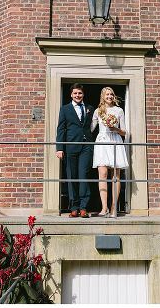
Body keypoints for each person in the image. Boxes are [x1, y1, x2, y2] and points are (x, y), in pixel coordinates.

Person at [56, 84, 93, 218]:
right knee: (72, 177)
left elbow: (93, 127)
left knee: (83, 176)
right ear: (71, 95)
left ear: (83, 94)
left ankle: (83, 207)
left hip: (86, 147)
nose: (78, 95)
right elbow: (61, 128)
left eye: (80, 93)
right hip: (70, 147)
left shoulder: (90, 108)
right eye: (75, 93)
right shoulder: (65, 109)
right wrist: (59, 148)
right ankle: (74, 207)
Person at [91, 87, 129, 218]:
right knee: (102, 173)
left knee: (116, 175)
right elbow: (90, 128)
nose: (110, 96)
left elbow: (124, 132)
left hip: (115, 141)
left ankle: (114, 208)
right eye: (107, 94)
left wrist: (115, 128)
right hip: (102, 141)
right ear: (103, 96)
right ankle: (104, 208)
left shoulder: (119, 110)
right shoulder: (98, 111)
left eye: (111, 94)